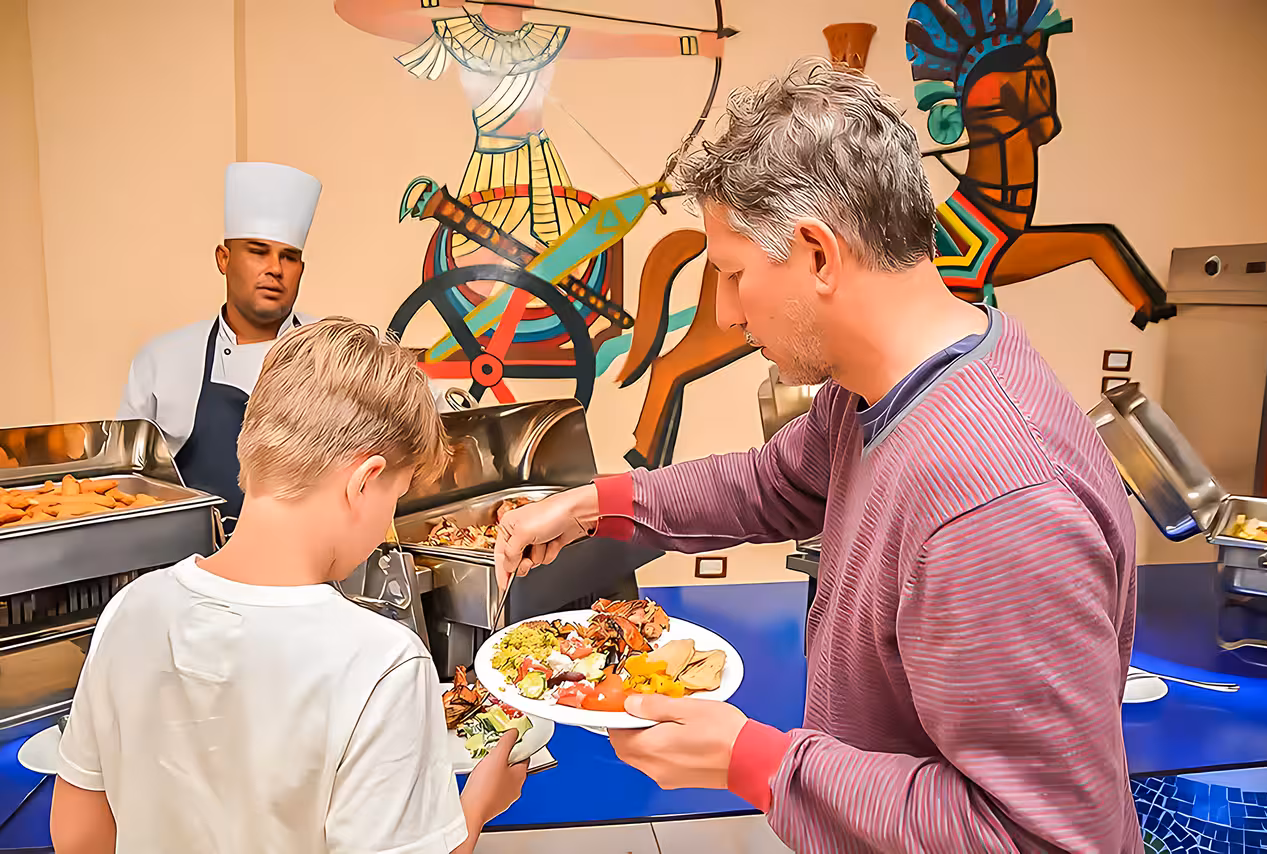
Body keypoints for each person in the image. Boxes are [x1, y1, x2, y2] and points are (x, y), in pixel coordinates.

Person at [495, 58, 1141, 853]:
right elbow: (772, 485)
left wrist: (754, 763)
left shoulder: (997, 506)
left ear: (818, 255)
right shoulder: (879, 388)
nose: (727, 314)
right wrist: (595, 502)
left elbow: (1040, 837)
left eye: (732, 274)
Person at [53, 319, 527, 853]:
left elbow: (77, 832)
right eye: (395, 497)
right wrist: (476, 808)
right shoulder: (385, 667)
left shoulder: (130, 611)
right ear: (364, 482)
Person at [117, 162, 323, 526]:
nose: (275, 268)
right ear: (223, 260)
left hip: (305, 571)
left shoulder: (334, 354)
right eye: (258, 251)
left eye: (288, 257)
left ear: (301, 271)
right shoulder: (162, 360)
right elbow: (128, 487)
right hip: (190, 564)